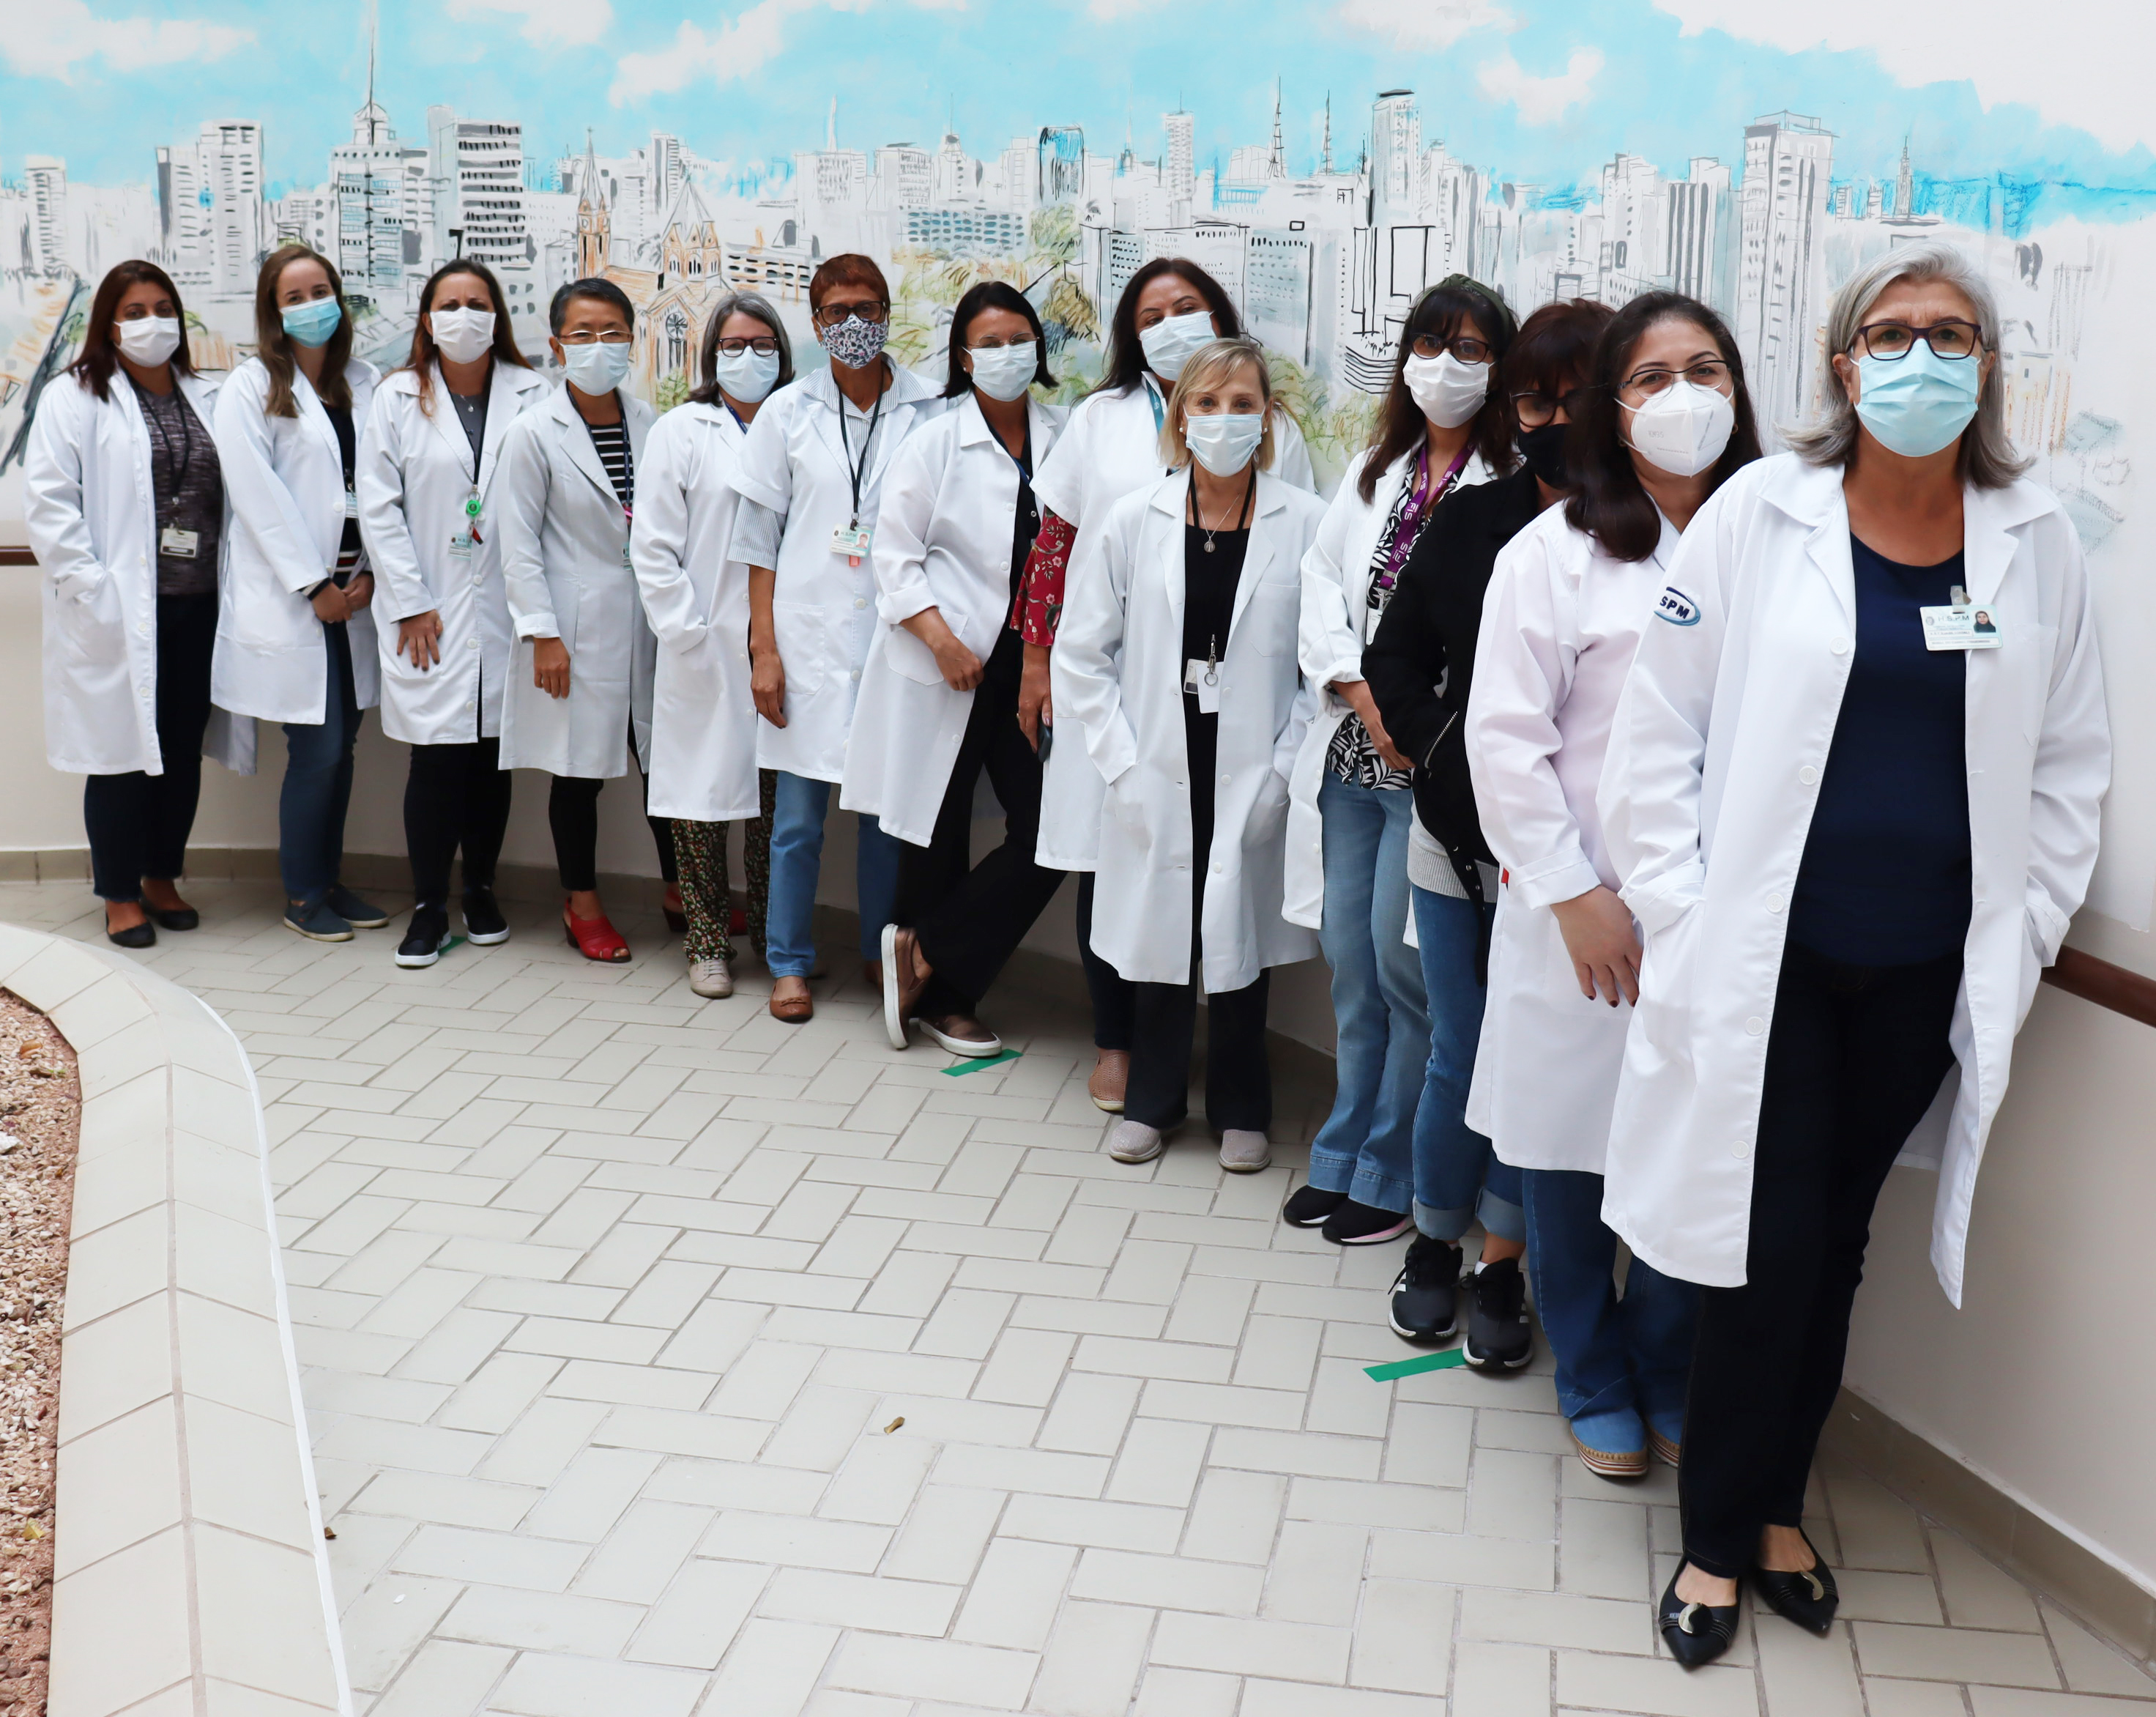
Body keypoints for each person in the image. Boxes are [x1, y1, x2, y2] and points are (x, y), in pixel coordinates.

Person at [1598, 244, 2108, 1666]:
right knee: (1766, 1248)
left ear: (1987, 363)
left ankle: (1768, 1506)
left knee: (1834, 1242)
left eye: (1950, 334)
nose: (1919, 358)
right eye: (1888, 335)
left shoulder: (2032, 535)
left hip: (1918, 970)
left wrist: (2024, 923)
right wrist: (1682, 910)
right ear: (1840, 362)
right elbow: (1656, 732)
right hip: (1769, 966)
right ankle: (1721, 1531)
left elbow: (2068, 759)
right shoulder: (1761, 513)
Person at [1466, 292, 1761, 1482]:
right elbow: (1501, 740)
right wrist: (1569, 890)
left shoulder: (1775, 543)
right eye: (1649, 377)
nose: (1680, 396)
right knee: (1567, 1154)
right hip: (1581, 918)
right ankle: (1587, 1369)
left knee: (1695, 1151)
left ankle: (1658, 1361)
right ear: (1608, 406)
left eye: (1705, 369)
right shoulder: (1552, 555)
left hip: (1720, 916)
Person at [1365, 297, 1614, 1355]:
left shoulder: (1647, 534)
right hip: (1457, 840)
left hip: (1570, 864)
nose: (1552, 418)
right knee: (1463, 1052)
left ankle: (1502, 1268)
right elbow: (1391, 659)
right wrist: (1442, 747)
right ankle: (1432, 1241)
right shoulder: (1473, 522)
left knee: (1538, 1060)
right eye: (1533, 398)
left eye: (1576, 397)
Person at [1026, 259, 1318, 1110]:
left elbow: (1318, 652)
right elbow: (1083, 638)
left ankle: (1240, 1105)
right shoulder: (1133, 511)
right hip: (1154, 740)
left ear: (1266, 418)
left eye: (1241, 405)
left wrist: (1282, 766)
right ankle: (1149, 1093)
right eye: (1206, 404)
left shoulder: (1302, 519)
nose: (1224, 420)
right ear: (1180, 416)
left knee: (1235, 923)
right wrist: (1119, 762)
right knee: (1153, 923)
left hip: (1251, 741)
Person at [1281, 276, 1514, 1249]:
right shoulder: (1382, 467)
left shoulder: (1505, 488)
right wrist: (1359, 689)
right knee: (1351, 967)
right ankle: (1342, 1152)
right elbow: (1322, 581)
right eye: (1431, 344)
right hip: (1351, 752)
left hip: (1428, 775)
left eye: (1470, 349)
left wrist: (1407, 717)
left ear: (1498, 369)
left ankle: (1393, 1170)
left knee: (1401, 968)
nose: (1446, 367)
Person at [844, 282, 1068, 1055]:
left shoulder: (1063, 436)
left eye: (1019, 339)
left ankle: (923, 949)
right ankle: (950, 1000)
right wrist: (940, 640)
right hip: (946, 661)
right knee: (935, 833)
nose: (1006, 354)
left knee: (1048, 830)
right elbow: (893, 557)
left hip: (1032, 668)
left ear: (1039, 348)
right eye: (989, 342)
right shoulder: (934, 440)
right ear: (963, 357)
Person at [731, 254, 943, 1023]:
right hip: (807, 635)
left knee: (885, 818)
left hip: (895, 637)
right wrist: (763, 648)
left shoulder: (930, 406)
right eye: (837, 312)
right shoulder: (787, 414)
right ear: (815, 323)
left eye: (868, 307)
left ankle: (877, 956)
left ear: (889, 312)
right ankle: (788, 962)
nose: (854, 325)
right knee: (796, 820)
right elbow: (757, 542)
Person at [26, 259, 254, 948]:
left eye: (162, 308)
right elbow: (49, 504)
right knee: (120, 751)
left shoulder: (207, 394)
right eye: (133, 311)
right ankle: (119, 893)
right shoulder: (76, 396)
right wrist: (93, 587)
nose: (150, 323)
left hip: (198, 605)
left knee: (180, 749)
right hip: (121, 607)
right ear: (108, 323)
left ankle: (162, 877)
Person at [357, 259, 547, 968]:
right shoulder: (397, 396)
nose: (464, 316)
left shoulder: (534, 394)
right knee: (436, 761)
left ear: (497, 315)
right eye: (449, 303)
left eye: (477, 303)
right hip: (427, 607)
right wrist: (408, 603)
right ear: (428, 319)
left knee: (494, 759)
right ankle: (430, 905)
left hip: (506, 605)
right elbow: (378, 507)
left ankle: (483, 889)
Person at [214, 245, 392, 944]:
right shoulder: (250, 387)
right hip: (301, 601)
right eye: (295, 296)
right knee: (316, 751)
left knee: (342, 746)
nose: (312, 305)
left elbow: (384, 482)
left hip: (357, 597)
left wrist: (372, 570)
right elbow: (258, 497)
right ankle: (302, 893)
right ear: (274, 312)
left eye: (322, 290)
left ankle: (328, 878)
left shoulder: (366, 382)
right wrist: (314, 584)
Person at [499, 277, 666, 963]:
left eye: (613, 334)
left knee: (666, 763)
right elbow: (517, 542)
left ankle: (685, 890)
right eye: (583, 335)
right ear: (556, 345)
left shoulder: (652, 421)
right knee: (578, 773)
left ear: (633, 340)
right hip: (574, 624)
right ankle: (582, 903)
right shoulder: (534, 432)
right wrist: (543, 633)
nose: (599, 347)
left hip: (648, 622)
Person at [633, 293, 792, 999]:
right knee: (700, 800)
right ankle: (705, 940)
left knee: (774, 799)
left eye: (763, 343)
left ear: (784, 352)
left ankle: (771, 934)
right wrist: (689, 633)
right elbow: (654, 547)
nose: (749, 356)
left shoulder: (802, 423)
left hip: (788, 640)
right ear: (710, 356)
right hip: (704, 645)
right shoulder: (681, 429)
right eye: (733, 345)